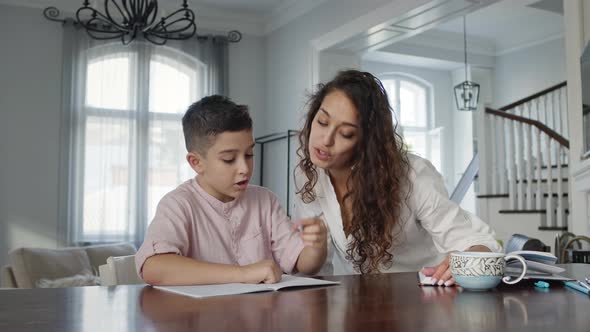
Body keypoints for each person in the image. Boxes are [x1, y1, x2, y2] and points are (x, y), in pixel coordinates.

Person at [293, 70, 501, 286]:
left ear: (367, 142)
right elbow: (316, 267)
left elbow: (477, 242)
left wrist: (468, 260)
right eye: (323, 121)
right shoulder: (309, 177)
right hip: (362, 304)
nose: (326, 140)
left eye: (346, 134)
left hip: (427, 300)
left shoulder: (412, 176)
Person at [136, 95, 327, 286]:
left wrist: (316, 249)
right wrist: (243, 274)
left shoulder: (265, 201)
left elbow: (303, 263)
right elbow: (154, 268)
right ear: (196, 163)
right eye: (229, 159)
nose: (244, 168)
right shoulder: (178, 204)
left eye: (249, 154)